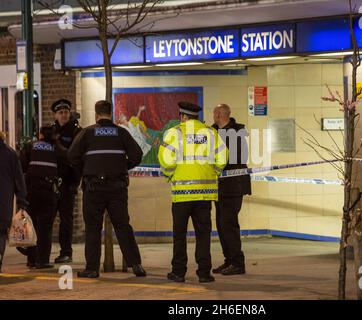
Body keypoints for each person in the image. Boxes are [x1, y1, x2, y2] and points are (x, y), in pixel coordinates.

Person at [68, 100, 146, 278]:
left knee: (93, 228)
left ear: (96, 114)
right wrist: (121, 167)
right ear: (111, 113)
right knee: (123, 226)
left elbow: (72, 156)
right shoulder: (121, 132)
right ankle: (136, 265)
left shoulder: (87, 133)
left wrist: (86, 170)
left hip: (93, 187)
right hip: (117, 187)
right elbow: (137, 155)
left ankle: (92, 269)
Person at [158, 101, 227, 283]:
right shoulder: (211, 133)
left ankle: (179, 272)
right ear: (196, 117)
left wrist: (172, 175)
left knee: (179, 234)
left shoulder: (175, 133)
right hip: (204, 195)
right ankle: (204, 273)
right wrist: (213, 172)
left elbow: (165, 161)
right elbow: (222, 159)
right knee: (203, 234)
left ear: (183, 116)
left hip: (181, 195)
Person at [212, 104, 251, 276]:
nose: (213, 115)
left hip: (233, 186)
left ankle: (237, 262)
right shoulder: (212, 131)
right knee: (221, 225)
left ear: (220, 114)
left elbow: (238, 158)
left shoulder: (237, 132)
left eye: (215, 112)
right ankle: (229, 260)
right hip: (218, 186)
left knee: (229, 224)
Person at [20, 125, 67, 269]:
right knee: (45, 227)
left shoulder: (29, 146)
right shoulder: (58, 149)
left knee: (31, 225)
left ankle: (31, 260)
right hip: (48, 191)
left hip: (31, 191)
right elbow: (65, 168)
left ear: (39, 134)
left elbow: (21, 166)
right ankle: (42, 261)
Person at [51, 99, 82, 264]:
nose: (63, 115)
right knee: (46, 218)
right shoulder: (51, 130)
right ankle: (41, 252)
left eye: (66, 112)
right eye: (60, 112)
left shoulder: (76, 131)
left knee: (66, 219)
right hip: (51, 182)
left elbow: (74, 156)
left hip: (68, 182)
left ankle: (66, 252)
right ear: (55, 115)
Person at [0, 132, 28, 273]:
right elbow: (18, 179)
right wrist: (22, 200)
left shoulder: (10, 154)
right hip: (3, 203)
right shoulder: (10, 154)